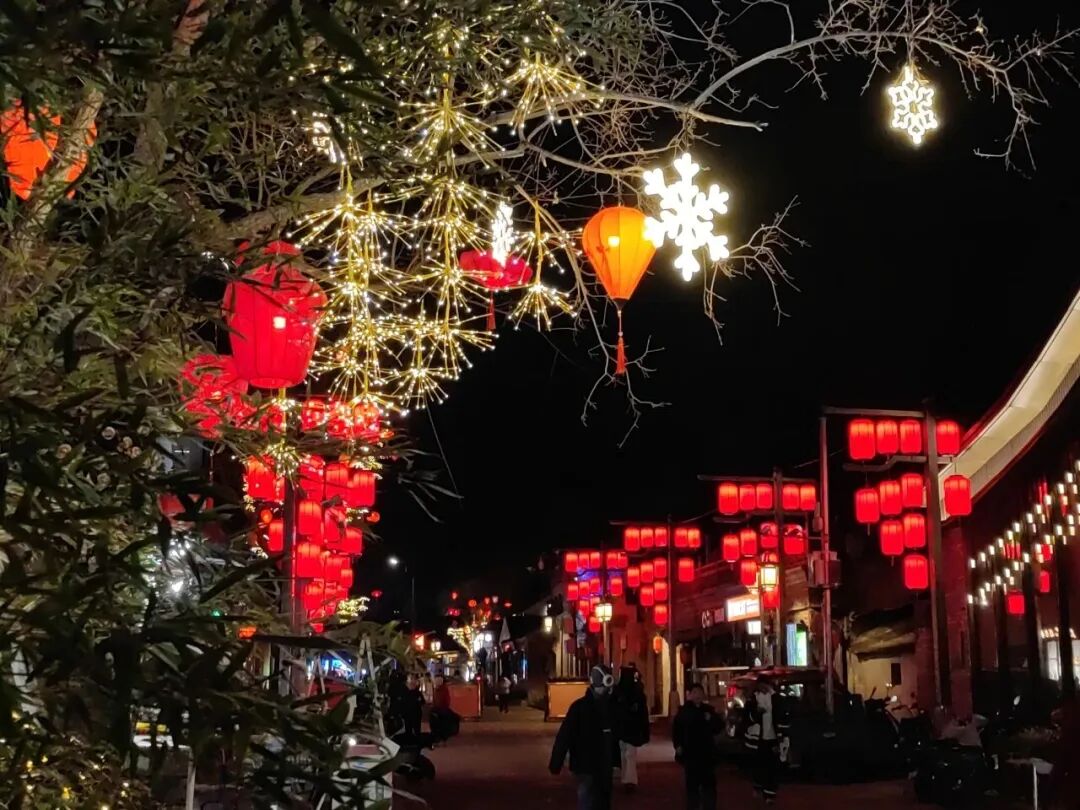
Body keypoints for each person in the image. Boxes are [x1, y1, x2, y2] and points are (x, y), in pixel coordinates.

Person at [549, 665, 620, 810]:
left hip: (602, 767)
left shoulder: (609, 706)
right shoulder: (580, 708)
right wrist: (556, 763)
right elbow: (565, 736)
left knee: (601, 802)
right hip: (586, 767)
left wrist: (616, 761)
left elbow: (613, 737)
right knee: (588, 801)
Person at [673, 683, 720, 810]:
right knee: (692, 786)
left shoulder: (708, 710)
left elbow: (718, 728)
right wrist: (678, 745)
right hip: (691, 753)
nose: (697, 695)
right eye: (694, 692)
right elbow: (677, 730)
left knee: (709, 785)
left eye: (700, 692)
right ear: (690, 695)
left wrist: (711, 719)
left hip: (707, 754)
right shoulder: (684, 712)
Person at [613, 664, 649, 792]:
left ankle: (629, 779)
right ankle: (628, 779)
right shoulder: (636, 691)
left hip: (625, 728)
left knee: (627, 753)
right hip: (630, 727)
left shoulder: (621, 691)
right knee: (627, 754)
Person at [744, 680, 780, 805]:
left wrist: (781, 737)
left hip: (772, 738)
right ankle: (758, 786)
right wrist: (757, 713)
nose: (765, 688)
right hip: (757, 739)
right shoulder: (752, 700)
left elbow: (781, 714)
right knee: (759, 765)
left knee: (771, 767)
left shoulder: (775, 698)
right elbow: (747, 718)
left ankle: (769, 794)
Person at [402, 672, 426, 740]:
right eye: (411, 679)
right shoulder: (404, 692)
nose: (413, 681)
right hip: (407, 715)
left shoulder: (418, 693)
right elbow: (402, 703)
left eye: (414, 679)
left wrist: (418, 701)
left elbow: (423, 702)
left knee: (417, 731)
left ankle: (417, 742)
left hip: (416, 715)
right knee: (408, 731)